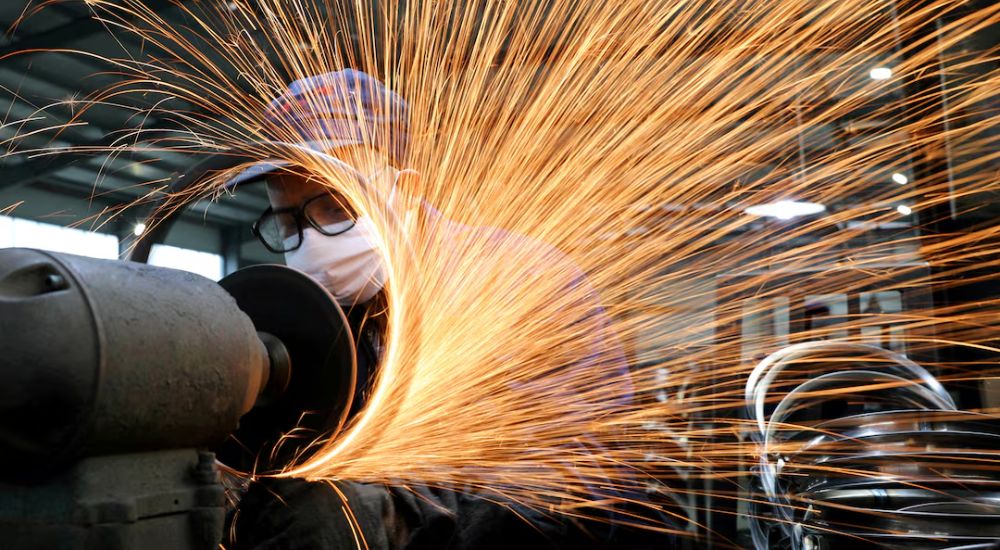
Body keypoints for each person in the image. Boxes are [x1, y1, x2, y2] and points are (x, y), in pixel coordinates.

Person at [227, 70, 676, 550]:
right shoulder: (317, 320)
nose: (310, 241)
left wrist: (403, 514)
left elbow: (576, 477)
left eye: (336, 206)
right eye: (287, 221)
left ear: (406, 189)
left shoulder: (517, 280)